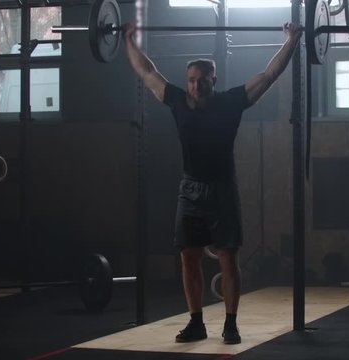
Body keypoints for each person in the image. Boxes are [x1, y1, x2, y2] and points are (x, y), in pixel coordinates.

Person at [124, 22, 302, 345]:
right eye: (191, 81)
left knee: (227, 257)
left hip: (222, 189)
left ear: (213, 81)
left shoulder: (231, 102)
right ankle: (196, 323)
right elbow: (146, 71)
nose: (195, 87)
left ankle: (230, 324)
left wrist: (291, 40)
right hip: (189, 190)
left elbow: (269, 75)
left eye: (201, 82)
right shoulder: (177, 100)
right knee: (188, 257)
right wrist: (128, 40)